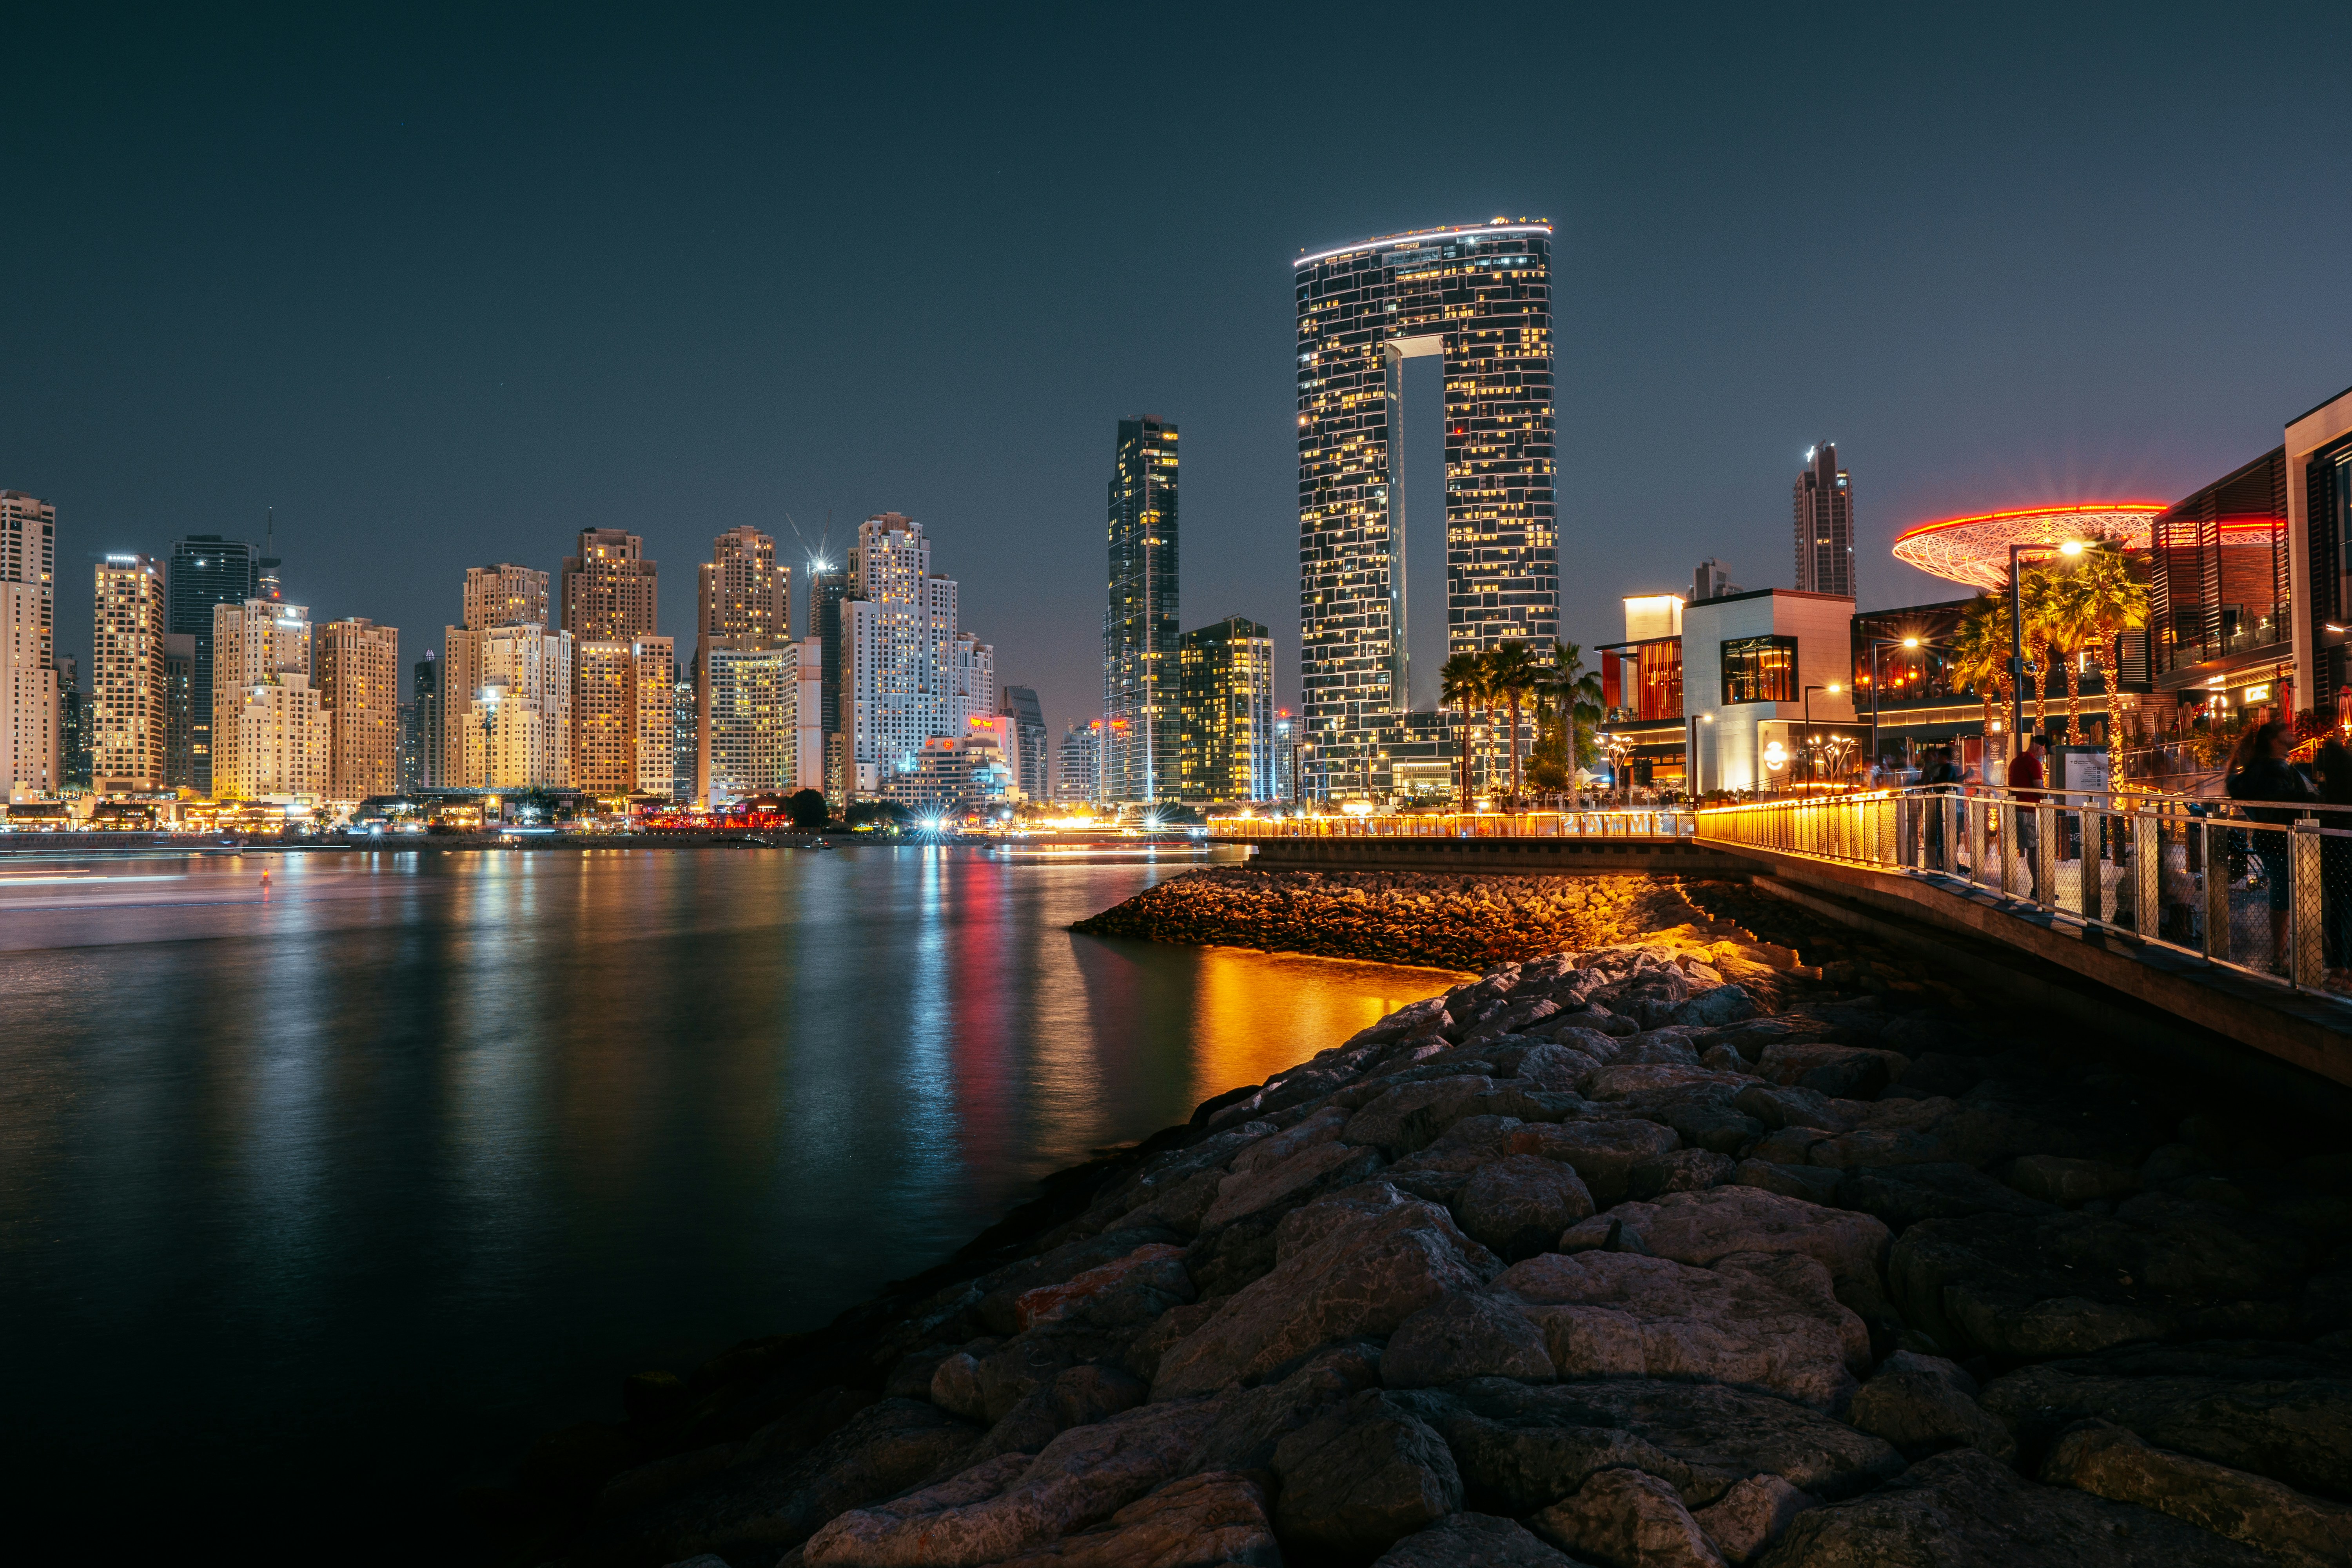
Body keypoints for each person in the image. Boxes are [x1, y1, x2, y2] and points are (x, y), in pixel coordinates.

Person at [2225, 720, 2316, 976]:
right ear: (2274, 740)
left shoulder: (2262, 767)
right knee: (2288, 892)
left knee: (2287, 891)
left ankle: (2289, 955)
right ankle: (2286, 956)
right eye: (2286, 731)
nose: (2292, 733)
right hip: (2284, 838)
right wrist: (2314, 799)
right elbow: (2281, 800)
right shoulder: (2275, 769)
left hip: (2272, 838)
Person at [2314, 738, 2352, 986]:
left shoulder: (2328, 795)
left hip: (2333, 850)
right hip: (2347, 846)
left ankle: (2340, 967)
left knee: (2339, 908)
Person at [2009, 735, 2047, 900]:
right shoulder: (2034, 763)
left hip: (2017, 808)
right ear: (2040, 747)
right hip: (2030, 810)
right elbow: (2038, 787)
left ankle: (2031, 888)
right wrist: (2052, 799)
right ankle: (2038, 889)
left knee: (2029, 849)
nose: (2044, 755)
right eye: (2045, 752)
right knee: (2035, 850)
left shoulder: (2015, 761)